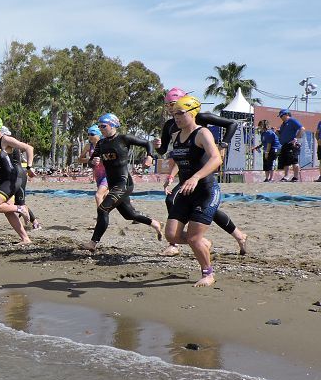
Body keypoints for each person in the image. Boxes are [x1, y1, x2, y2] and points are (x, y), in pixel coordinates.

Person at [155, 87, 247, 255]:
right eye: (168, 105)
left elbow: (232, 124)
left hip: (203, 173)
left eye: (175, 105)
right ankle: (237, 236)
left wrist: (224, 144)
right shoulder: (170, 125)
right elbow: (177, 153)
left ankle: (181, 242)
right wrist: (160, 151)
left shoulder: (201, 119)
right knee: (203, 208)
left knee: (182, 202)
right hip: (186, 173)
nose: (171, 110)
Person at [163, 96, 223, 287]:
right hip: (186, 192)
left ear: (193, 112)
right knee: (171, 235)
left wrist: (196, 177)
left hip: (206, 192)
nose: (176, 117)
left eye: (180, 113)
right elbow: (179, 161)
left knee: (193, 238)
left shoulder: (202, 133)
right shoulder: (176, 136)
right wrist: (171, 177)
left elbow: (216, 159)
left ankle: (208, 273)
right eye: (174, 114)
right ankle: (203, 244)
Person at [81, 112, 163, 252]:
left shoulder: (124, 139)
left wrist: (149, 157)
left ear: (112, 125)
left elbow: (147, 143)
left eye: (103, 126)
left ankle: (93, 243)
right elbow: (91, 161)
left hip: (124, 183)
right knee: (129, 215)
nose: (100, 128)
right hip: (113, 184)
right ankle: (154, 223)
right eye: (99, 126)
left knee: (103, 209)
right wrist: (92, 161)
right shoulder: (101, 143)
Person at [0, 116, 34, 243]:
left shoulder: (5, 140)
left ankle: (21, 208)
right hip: (3, 179)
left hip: (14, 178)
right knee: (7, 210)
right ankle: (25, 238)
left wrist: (29, 166)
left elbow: (29, 148)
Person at [78, 125, 109, 208]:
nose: (89, 136)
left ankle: (101, 218)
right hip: (98, 176)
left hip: (108, 175)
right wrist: (89, 159)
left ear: (99, 135)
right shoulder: (88, 146)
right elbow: (80, 159)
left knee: (98, 196)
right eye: (88, 134)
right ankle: (135, 214)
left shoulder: (106, 144)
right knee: (107, 197)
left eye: (92, 134)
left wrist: (102, 159)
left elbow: (113, 158)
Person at [276, 108, 304, 182]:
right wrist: (277, 132)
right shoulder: (283, 124)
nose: (281, 118)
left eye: (281, 116)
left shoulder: (292, 121)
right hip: (285, 145)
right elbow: (281, 134)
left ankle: (296, 177)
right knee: (286, 161)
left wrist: (296, 139)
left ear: (286, 115)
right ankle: (286, 176)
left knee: (294, 161)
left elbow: (302, 128)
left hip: (292, 144)